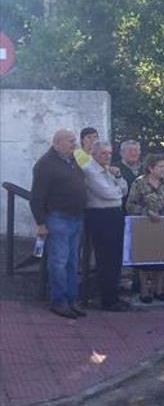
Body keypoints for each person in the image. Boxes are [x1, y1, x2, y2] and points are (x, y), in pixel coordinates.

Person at [30, 129, 88, 319]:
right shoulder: (45, 164)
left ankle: (72, 299)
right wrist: (40, 223)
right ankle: (59, 302)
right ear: (57, 143)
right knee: (59, 261)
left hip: (75, 217)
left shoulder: (71, 160)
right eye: (71, 141)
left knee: (72, 261)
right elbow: (37, 196)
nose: (75, 144)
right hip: (58, 217)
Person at [83, 141, 130, 311]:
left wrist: (117, 177)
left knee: (116, 257)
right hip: (101, 216)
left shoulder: (109, 171)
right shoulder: (90, 170)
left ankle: (114, 296)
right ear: (94, 154)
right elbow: (107, 193)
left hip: (114, 214)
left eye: (109, 153)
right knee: (106, 258)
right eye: (103, 153)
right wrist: (117, 191)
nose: (107, 156)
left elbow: (124, 191)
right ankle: (107, 299)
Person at [127, 153, 164, 303]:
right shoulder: (139, 183)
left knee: (161, 257)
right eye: (160, 166)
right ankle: (144, 291)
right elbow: (130, 204)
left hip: (162, 224)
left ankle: (158, 290)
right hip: (144, 224)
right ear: (150, 168)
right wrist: (147, 212)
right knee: (144, 258)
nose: (163, 169)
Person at [115, 140, 142, 207]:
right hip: (121, 210)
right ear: (122, 153)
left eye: (136, 150)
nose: (133, 153)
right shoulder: (114, 169)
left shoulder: (147, 168)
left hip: (144, 213)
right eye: (130, 151)